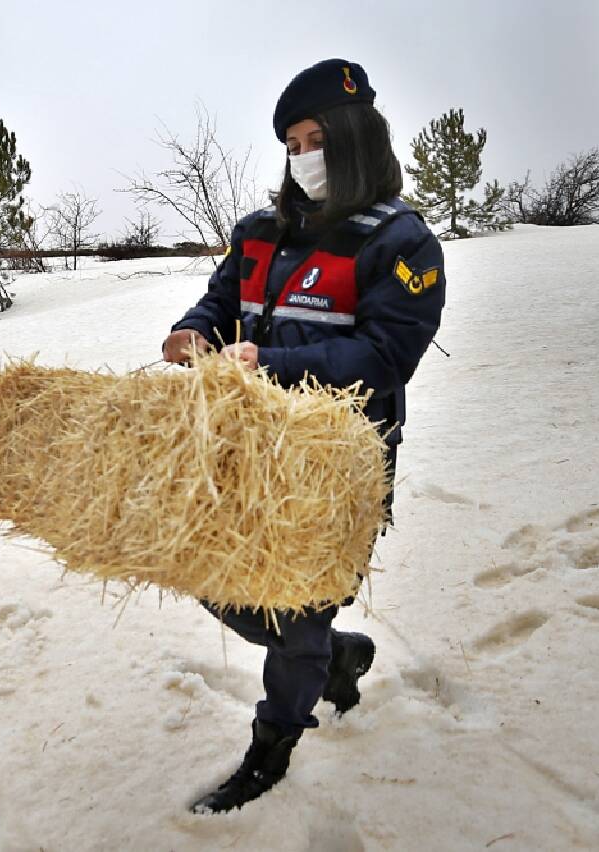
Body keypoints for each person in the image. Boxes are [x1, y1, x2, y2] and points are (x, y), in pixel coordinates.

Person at [161, 59, 446, 814]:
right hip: (245, 456)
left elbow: (386, 358)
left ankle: (274, 742)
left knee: (292, 614)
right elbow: (220, 302)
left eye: (315, 138)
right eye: (291, 142)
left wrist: (271, 363)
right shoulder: (261, 232)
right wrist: (191, 334)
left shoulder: (400, 242)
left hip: (335, 471)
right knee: (219, 582)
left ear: (356, 138)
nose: (302, 156)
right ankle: (333, 657)